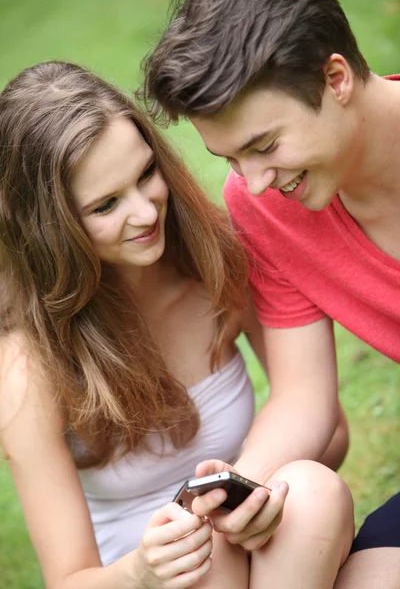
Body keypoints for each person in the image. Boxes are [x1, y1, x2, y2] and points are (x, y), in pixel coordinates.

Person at [0, 61, 353, 589]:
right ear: (50, 230)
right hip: (154, 578)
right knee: (207, 558)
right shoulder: (29, 368)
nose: (145, 212)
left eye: (145, 174)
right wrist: (142, 569)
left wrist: (251, 495)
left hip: (265, 554)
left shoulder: (214, 265)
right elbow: (69, 579)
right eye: (106, 205)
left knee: (314, 493)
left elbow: (331, 433)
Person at [141, 0, 400, 586]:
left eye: (263, 147)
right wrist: (241, 487)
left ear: (334, 78)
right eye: (230, 159)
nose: (252, 185)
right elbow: (304, 396)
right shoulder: (269, 210)